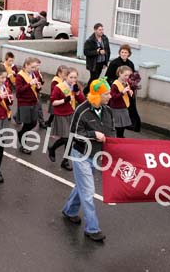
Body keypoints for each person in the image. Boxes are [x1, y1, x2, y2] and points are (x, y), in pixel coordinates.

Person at [62, 78, 115, 242]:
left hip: (96, 155)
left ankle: (70, 210)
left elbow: (111, 131)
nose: (110, 96)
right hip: (81, 154)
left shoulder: (108, 111)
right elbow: (74, 134)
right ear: (97, 95)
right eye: (107, 94)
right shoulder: (81, 111)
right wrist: (93, 135)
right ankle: (92, 228)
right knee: (88, 191)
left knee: (82, 185)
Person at [48, 67, 85, 171]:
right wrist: (64, 100)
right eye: (71, 77)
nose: (73, 79)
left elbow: (82, 101)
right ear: (65, 77)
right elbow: (53, 102)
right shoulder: (59, 87)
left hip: (71, 114)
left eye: (75, 77)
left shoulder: (74, 87)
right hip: (61, 114)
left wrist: (78, 93)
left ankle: (65, 161)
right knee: (66, 138)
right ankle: (52, 148)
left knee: (70, 138)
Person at [15, 57, 43, 154]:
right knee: (27, 123)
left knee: (34, 123)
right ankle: (23, 145)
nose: (34, 69)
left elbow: (35, 89)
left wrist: (38, 87)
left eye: (35, 67)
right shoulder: (20, 76)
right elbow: (18, 92)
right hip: (24, 103)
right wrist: (29, 84)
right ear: (26, 65)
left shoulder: (34, 74)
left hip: (33, 102)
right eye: (32, 67)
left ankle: (21, 133)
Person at [84, 23, 111, 90]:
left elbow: (108, 50)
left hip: (101, 62)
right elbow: (86, 52)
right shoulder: (90, 40)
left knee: (96, 78)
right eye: (100, 30)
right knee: (94, 78)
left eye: (102, 29)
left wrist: (106, 62)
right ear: (95, 30)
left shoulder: (104, 38)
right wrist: (97, 52)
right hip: (93, 64)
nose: (101, 31)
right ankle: (86, 91)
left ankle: (89, 91)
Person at [109, 66, 134, 138]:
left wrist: (130, 92)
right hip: (117, 108)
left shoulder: (126, 83)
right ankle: (118, 137)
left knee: (123, 125)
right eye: (125, 75)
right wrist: (122, 92)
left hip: (124, 107)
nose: (127, 77)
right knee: (118, 125)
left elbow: (127, 94)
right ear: (120, 73)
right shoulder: (115, 85)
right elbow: (113, 97)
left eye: (129, 75)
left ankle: (121, 136)